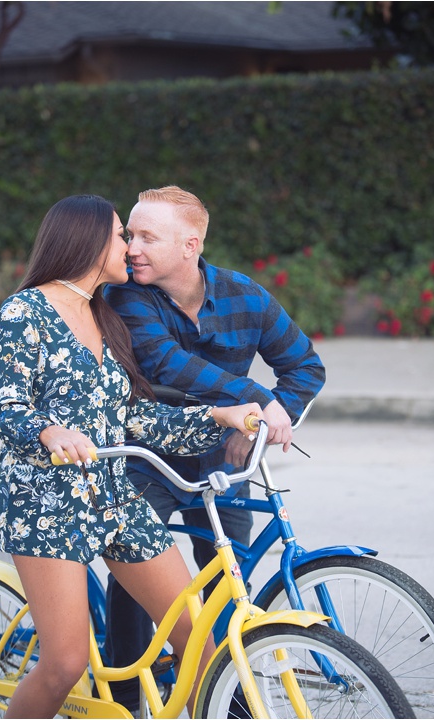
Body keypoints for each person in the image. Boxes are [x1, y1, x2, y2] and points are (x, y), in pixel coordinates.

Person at [0, 194, 265, 717]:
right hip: (46, 504)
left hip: (115, 496)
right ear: (87, 242)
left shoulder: (105, 316)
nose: (131, 247)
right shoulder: (25, 312)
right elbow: (8, 410)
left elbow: (136, 418)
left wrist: (216, 417)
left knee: (199, 642)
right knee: (64, 665)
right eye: (121, 235)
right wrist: (48, 431)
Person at [102, 185, 326, 709]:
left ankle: (223, 688)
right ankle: (124, 694)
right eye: (129, 234)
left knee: (230, 575)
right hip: (147, 455)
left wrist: (268, 419)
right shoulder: (128, 296)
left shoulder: (245, 295)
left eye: (145, 237)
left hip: (221, 457)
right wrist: (254, 402)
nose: (130, 247)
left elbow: (305, 365)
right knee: (136, 564)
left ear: (190, 244)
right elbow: (165, 364)